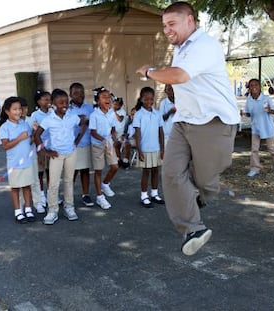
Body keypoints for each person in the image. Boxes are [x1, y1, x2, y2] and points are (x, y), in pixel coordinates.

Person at [137, 2, 240, 256]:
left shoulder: (205, 46)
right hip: (185, 122)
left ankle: (201, 196)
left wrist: (151, 72)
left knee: (204, 182)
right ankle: (193, 228)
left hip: (214, 122)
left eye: (172, 24)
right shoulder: (181, 48)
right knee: (171, 173)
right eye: (164, 26)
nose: (167, 30)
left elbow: (180, 76)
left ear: (190, 21)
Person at [34, 88, 86, 225]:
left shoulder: (71, 116)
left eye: (66, 102)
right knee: (53, 183)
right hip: (56, 154)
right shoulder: (48, 119)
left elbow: (83, 122)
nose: (64, 105)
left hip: (71, 153)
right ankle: (52, 210)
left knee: (69, 181)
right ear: (53, 103)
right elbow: (37, 135)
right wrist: (45, 151)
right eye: (61, 103)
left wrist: (77, 139)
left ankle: (69, 207)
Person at [0, 97, 36, 224]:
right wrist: (20, 138)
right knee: (15, 187)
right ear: (7, 111)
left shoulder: (25, 124)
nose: (18, 112)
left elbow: (30, 141)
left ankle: (28, 208)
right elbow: (5, 146)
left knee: (26, 186)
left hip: (27, 161)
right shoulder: (4, 127)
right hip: (14, 162)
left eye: (20, 109)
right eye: (15, 109)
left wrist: (35, 133)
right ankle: (17, 211)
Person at [242, 78, 274, 177]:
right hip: (256, 128)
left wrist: (269, 110)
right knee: (254, 149)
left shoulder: (266, 98)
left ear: (260, 87)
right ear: (249, 88)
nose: (254, 87)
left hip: (267, 127)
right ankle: (255, 168)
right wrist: (244, 114)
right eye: (251, 86)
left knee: (271, 147)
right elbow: (249, 113)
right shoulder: (249, 100)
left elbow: (273, 111)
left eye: (256, 85)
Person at [133, 87, 165, 208]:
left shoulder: (157, 114)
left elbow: (160, 131)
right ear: (141, 99)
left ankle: (155, 194)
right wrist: (139, 149)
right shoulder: (138, 114)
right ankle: (144, 196)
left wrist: (162, 149)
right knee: (146, 172)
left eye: (151, 99)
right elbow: (137, 133)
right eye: (146, 99)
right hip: (145, 149)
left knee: (156, 171)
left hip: (156, 148)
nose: (149, 101)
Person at [89, 87, 119, 210]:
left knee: (115, 166)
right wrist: (103, 140)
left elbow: (112, 128)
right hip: (97, 144)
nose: (108, 99)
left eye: (109, 97)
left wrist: (113, 137)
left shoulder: (112, 113)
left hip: (108, 142)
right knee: (98, 170)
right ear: (98, 100)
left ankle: (105, 184)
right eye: (104, 97)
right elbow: (93, 132)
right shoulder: (94, 115)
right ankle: (99, 196)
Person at [68, 82, 95, 207]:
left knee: (85, 170)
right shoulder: (68, 110)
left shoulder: (89, 108)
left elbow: (93, 123)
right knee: (72, 172)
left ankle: (86, 194)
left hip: (86, 143)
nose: (80, 95)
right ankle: (69, 196)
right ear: (70, 95)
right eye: (76, 93)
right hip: (72, 145)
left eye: (82, 92)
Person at [20, 97, 44, 214]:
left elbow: (35, 140)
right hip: (19, 158)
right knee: (20, 182)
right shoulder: (15, 123)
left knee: (35, 180)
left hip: (32, 154)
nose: (23, 111)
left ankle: (38, 202)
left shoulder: (31, 120)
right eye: (20, 108)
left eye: (25, 108)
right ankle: (21, 204)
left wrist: (39, 155)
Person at [29, 90, 52, 209]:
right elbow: (34, 132)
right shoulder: (35, 115)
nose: (48, 101)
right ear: (38, 101)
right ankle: (41, 194)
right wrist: (39, 150)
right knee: (40, 171)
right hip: (40, 146)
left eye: (49, 99)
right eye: (45, 99)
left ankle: (50, 194)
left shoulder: (52, 113)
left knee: (50, 171)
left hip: (51, 147)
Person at [111, 95, 128, 168]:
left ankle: (125, 160)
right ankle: (119, 160)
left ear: (120, 105)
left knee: (119, 144)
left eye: (116, 104)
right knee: (115, 145)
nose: (115, 106)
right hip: (114, 133)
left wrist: (114, 112)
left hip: (122, 134)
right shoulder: (111, 112)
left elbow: (120, 119)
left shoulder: (122, 111)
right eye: (114, 104)